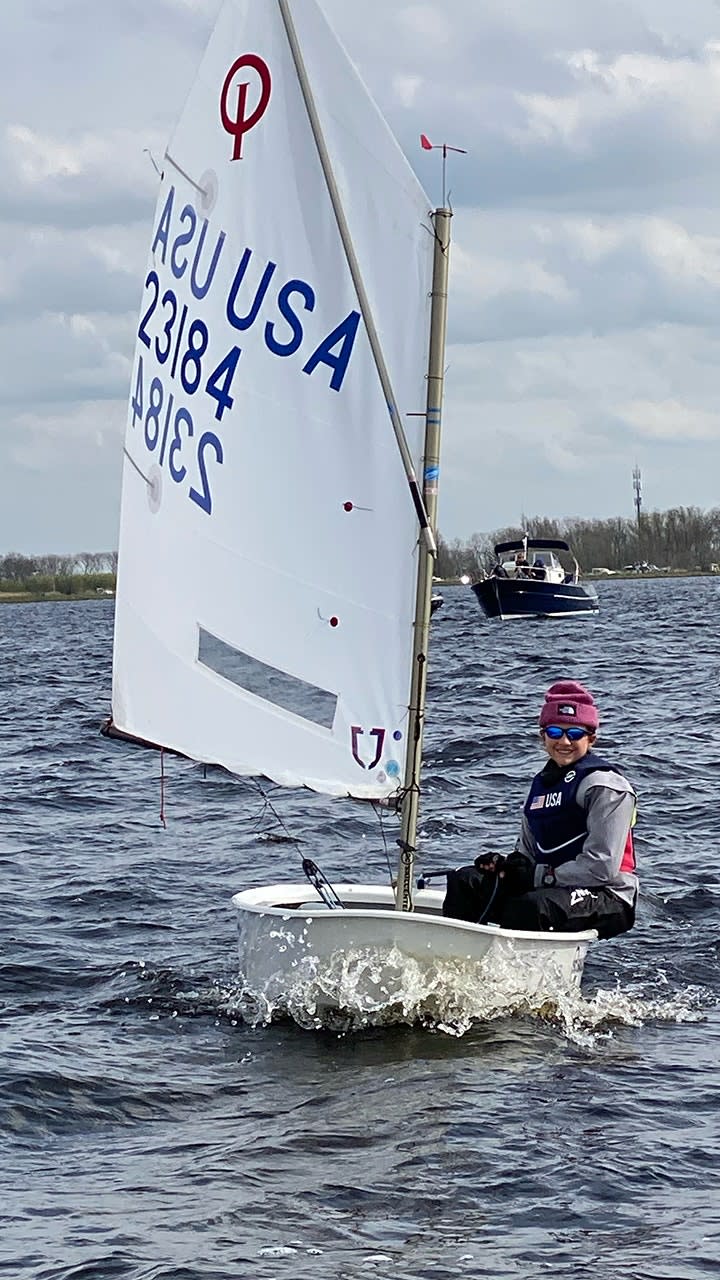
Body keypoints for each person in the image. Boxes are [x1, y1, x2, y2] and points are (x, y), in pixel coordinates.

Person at [442, 680, 638, 939]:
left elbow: (602, 867)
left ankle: (515, 975)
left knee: (529, 908)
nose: (565, 741)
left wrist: (538, 877)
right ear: (543, 736)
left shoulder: (605, 786)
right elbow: (527, 854)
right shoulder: (541, 785)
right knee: (465, 882)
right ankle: (458, 961)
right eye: (555, 732)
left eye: (575, 734)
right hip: (551, 884)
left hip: (607, 893)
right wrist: (503, 866)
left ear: (591, 738)